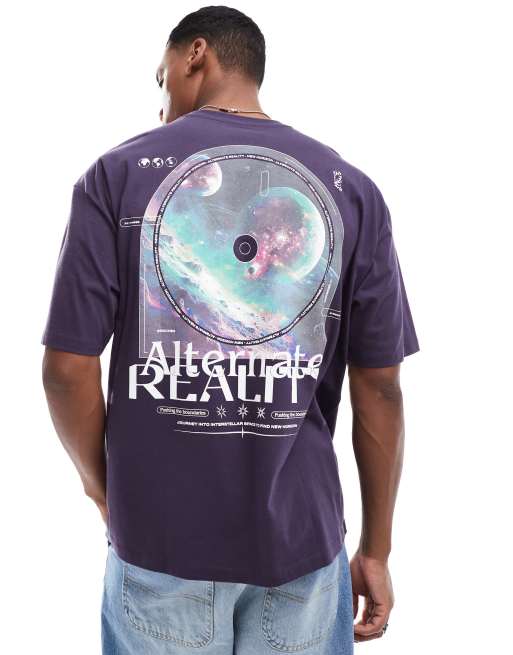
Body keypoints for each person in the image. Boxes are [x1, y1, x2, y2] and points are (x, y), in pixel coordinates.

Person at [41, 6, 419, 654]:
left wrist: (103, 490)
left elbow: (65, 370)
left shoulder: (115, 177)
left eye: (161, 78)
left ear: (195, 55)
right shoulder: (353, 193)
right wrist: (376, 550)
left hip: (158, 540)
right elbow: (380, 388)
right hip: (300, 545)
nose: (161, 102)